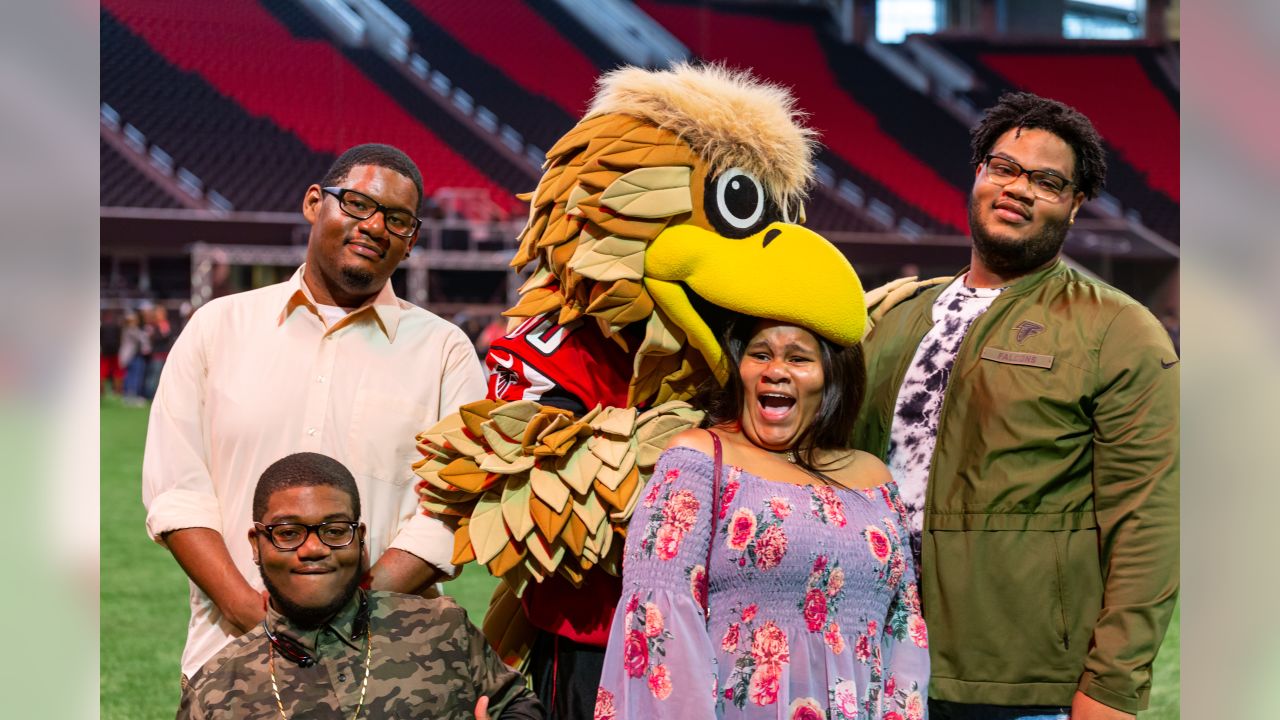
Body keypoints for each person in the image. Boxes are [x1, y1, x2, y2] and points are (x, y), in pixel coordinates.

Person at [852, 92, 1179, 720]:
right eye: (1004, 167)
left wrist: (1111, 688)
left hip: (1016, 681)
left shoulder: (1118, 329)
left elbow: (1147, 524)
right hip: (867, 655)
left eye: (1048, 181)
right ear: (978, 173)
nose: (1019, 188)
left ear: (1076, 204)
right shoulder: (893, 313)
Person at [143, 143, 488, 682]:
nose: (375, 226)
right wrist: (244, 609)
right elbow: (176, 490)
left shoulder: (444, 351)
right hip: (232, 656)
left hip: (388, 666)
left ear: (412, 239)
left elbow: (454, 508)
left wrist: (351, 615)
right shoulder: (219, 328)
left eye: (397, 219)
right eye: (357, 204)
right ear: (313, 203)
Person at [595, 315, 929, 719]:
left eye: (798, 358)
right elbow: (657, 626)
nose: (775, 371)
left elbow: (903, 629)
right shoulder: (699, 459)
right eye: (760, 355)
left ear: (832, 376)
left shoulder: (874, 478)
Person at [177, 452, 544, 719]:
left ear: (359, 539)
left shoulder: (441, 629)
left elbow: (515, 704)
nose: (314, 548)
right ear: (257, 544)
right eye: (288, 533)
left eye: (334, 531)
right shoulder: (216, 690)